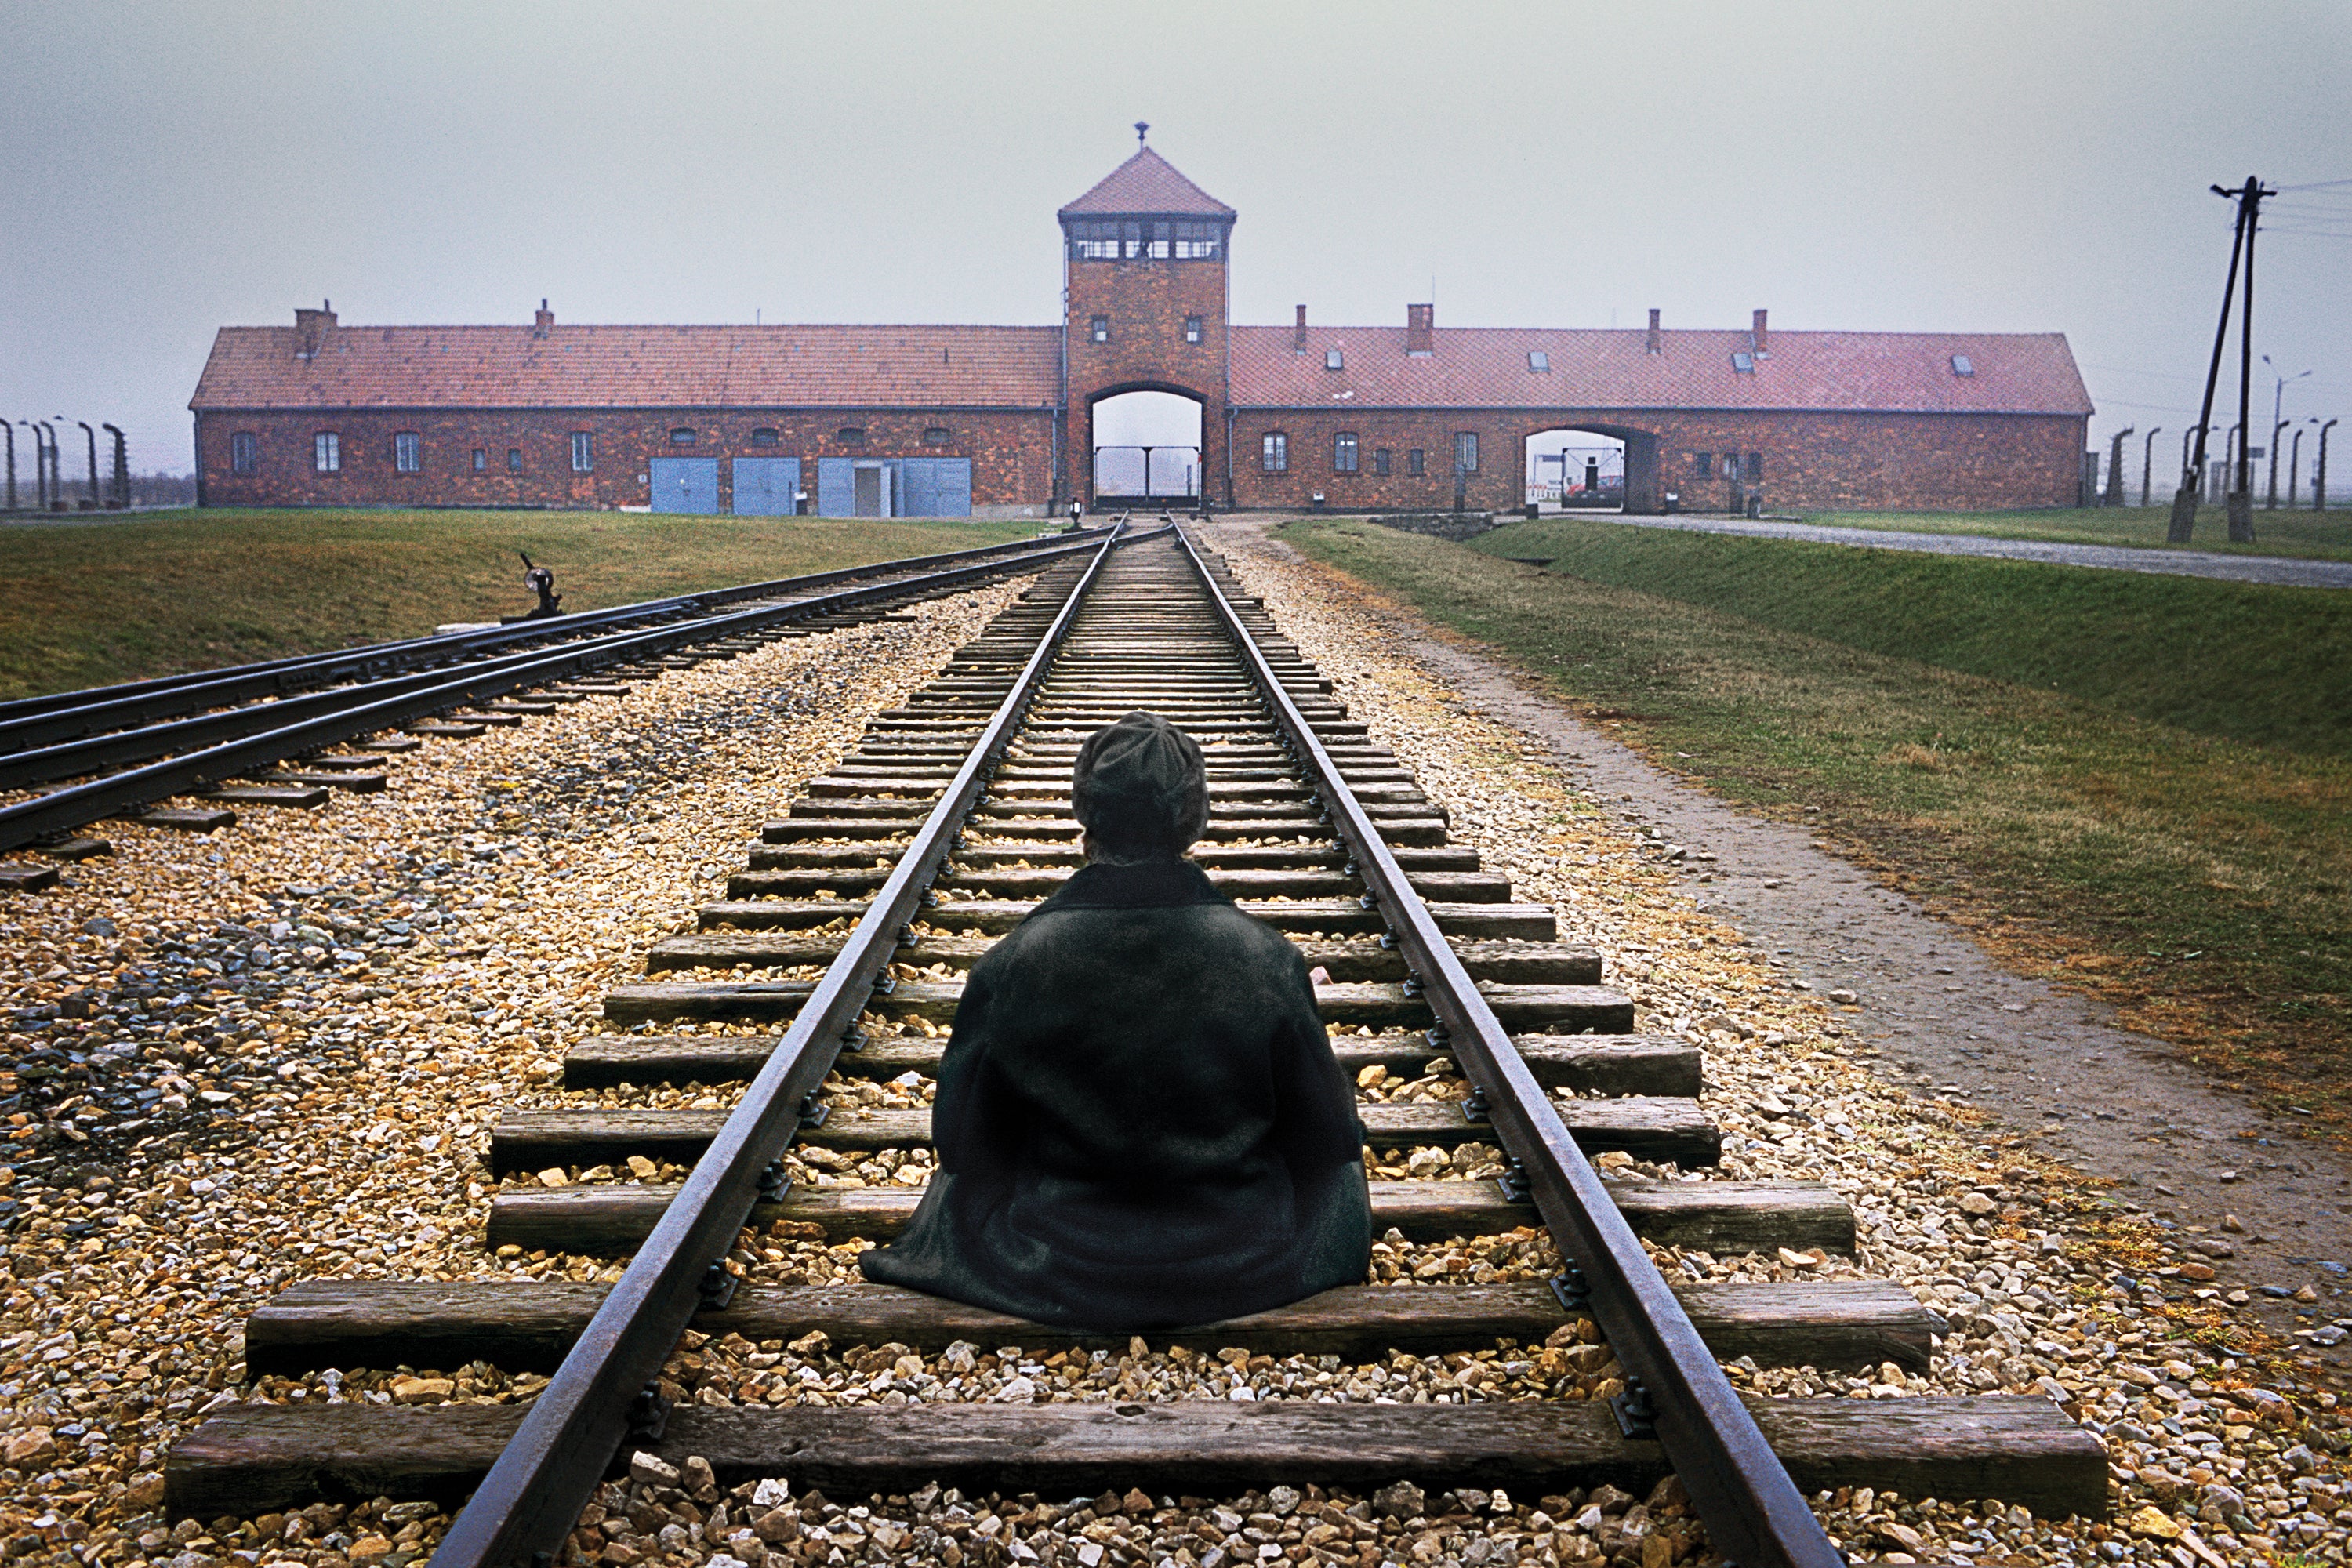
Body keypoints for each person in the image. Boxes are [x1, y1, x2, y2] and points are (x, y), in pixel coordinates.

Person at [860, 711, 1371, 1328]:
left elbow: (963, 1149)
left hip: (1055, 1264)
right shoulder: (1265, 958)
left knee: (950, 1196)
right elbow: (1332, 1139)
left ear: (1087, 814)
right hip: (1236, 1266)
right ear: (1193, 819)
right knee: (1341, 1182)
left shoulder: (1013, 963)